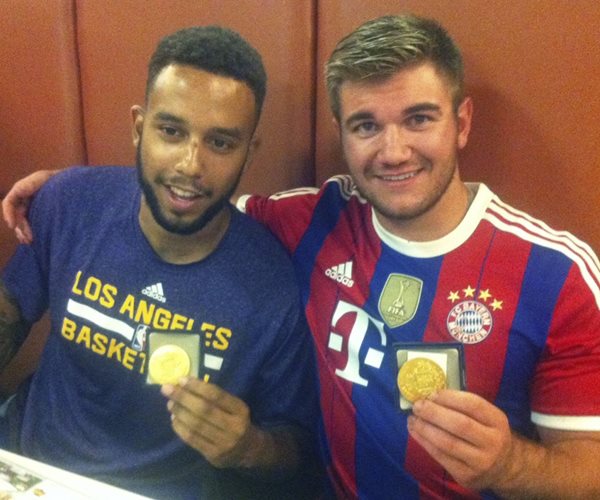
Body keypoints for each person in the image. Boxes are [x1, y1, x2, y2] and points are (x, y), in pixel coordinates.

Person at [5, 13, 600, 500]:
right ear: (341, 133)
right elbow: (189, 197)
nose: (393, 151)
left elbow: (590, 471)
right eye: (366, 126)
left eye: (419, 119)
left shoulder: (556, 273)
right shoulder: (313, 219)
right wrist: (69, 194)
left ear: (461, 122)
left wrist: (510, 465)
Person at [0, 26, 322, 500]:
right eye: (171, 131)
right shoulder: (69, 202)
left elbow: (299, 455)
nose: (190, 165)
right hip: (28, 463)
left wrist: (248, 448)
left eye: (221, 143)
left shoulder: (274, 291)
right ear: (139, 127)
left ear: (248, 152)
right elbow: (9, 313)